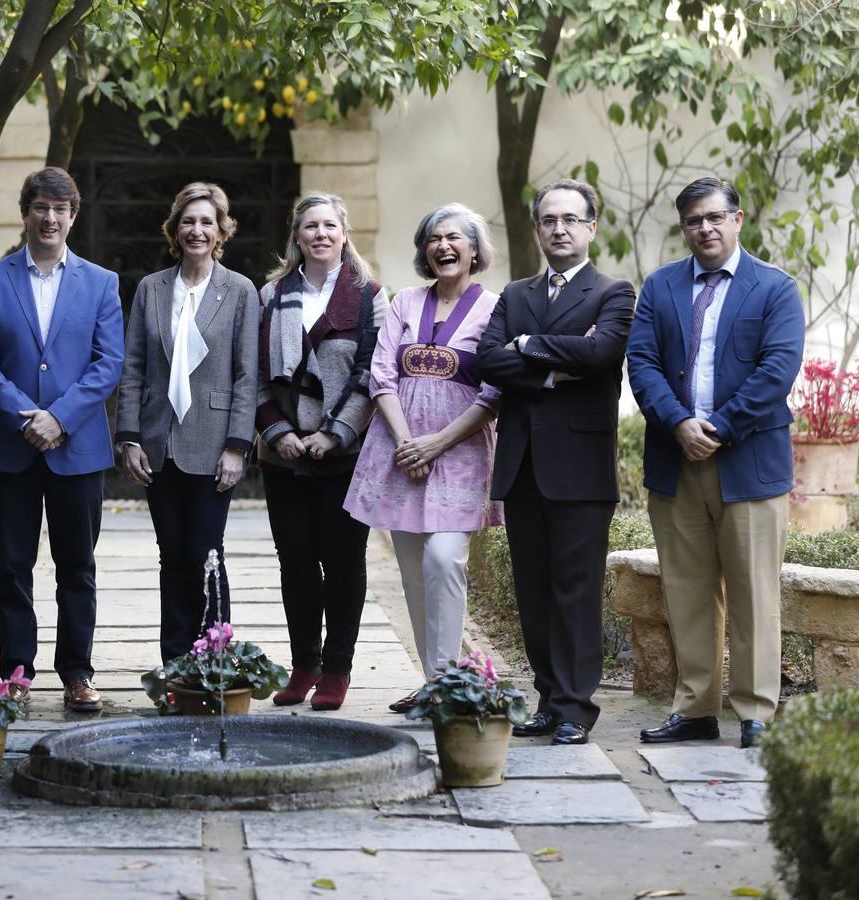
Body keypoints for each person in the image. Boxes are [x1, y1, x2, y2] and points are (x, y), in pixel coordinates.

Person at [627, 177, 804, 749]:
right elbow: (642, 362)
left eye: (714, 217)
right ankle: (696, 709)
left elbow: (777, 370)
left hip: (748, 461)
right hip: (676, 459)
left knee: (754, 590)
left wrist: (720, 428)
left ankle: (755, 711)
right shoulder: (660, 287)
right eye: (693, 221)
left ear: (737, 218)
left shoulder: (775, 288)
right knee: (687, 589)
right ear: (683, 228)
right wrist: (679, 424)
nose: (704, 228)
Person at [477, 178, 636, 746]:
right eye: (549, 220)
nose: (559, 229)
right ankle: (547, 697)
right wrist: (548, 364)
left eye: (571, 219)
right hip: (522, 465)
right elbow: (487, 361)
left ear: (591, 227)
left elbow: (601, 353)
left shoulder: (614, 293)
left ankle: (575, 706)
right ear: (537, 228)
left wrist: (527, 347)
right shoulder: (514, 295)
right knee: (534, 589)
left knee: (575, 588)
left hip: (580, 466)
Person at [0, 167, 124, 713]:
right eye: (41, 208)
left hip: (75, 449)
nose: (50, 218)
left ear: (73, 216)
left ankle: (77, 672)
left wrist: (59, 418)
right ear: (25, 213)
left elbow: (108, 364)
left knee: (78, 565)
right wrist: (24, 418)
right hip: (10, 450)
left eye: (61, 209)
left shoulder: (101, 282)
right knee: (12, 566)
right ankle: (16, 673)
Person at [343, 203, 502, 714]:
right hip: (398, 448)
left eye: (454, 237)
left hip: (461, 452)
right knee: (413, 572)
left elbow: (495, 390)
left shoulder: (495, 308)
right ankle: (435, 681)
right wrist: (409, 440)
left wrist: (436, 444)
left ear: (474, 249)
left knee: (443, 560)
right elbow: (380, 374)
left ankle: (452, 681)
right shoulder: (405, 301)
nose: (443, 246)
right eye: (433, 238)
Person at [253, 192, 387, 712]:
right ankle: (303, 664)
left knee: (344, 563)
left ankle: (337, 670)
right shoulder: (271, 295)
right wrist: (277, 431)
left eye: (330, 225)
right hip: (283, 455)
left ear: (344, 233)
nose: (321, 234)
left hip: (343, 456)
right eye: (311, 226)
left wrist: (334, 433)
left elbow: (372, 372)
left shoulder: (370, 295)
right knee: (296, 564)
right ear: (297, 235)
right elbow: (258, 374)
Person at [115, 182, 259, 663]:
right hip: (158, 441)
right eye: (188, 221)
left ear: (221, 230)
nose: (197, 230)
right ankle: (175, 663)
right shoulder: (151, 288)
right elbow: (133, 366)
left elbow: (246, 373)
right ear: (175, 230)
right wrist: (129, 436)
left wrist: (238, 445)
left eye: (206, 222)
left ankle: (215, 659)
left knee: (206, 555)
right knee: (171, 556)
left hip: (214, 440)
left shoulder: (239, 291)